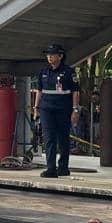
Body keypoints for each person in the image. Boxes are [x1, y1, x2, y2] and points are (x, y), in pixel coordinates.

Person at [34, 43, 79, 178]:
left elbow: (75, 92)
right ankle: (51, 168)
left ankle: (63, 167)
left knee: (63, 139)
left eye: (52, 55)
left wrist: (75, 110)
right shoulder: (44, 72)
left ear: (60, 56)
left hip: (63, 110)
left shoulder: (69, 72)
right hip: (46, 110)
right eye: (48, 55)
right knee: (49, 138)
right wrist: (36, 108)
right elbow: (39, 91)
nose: (49, 58)